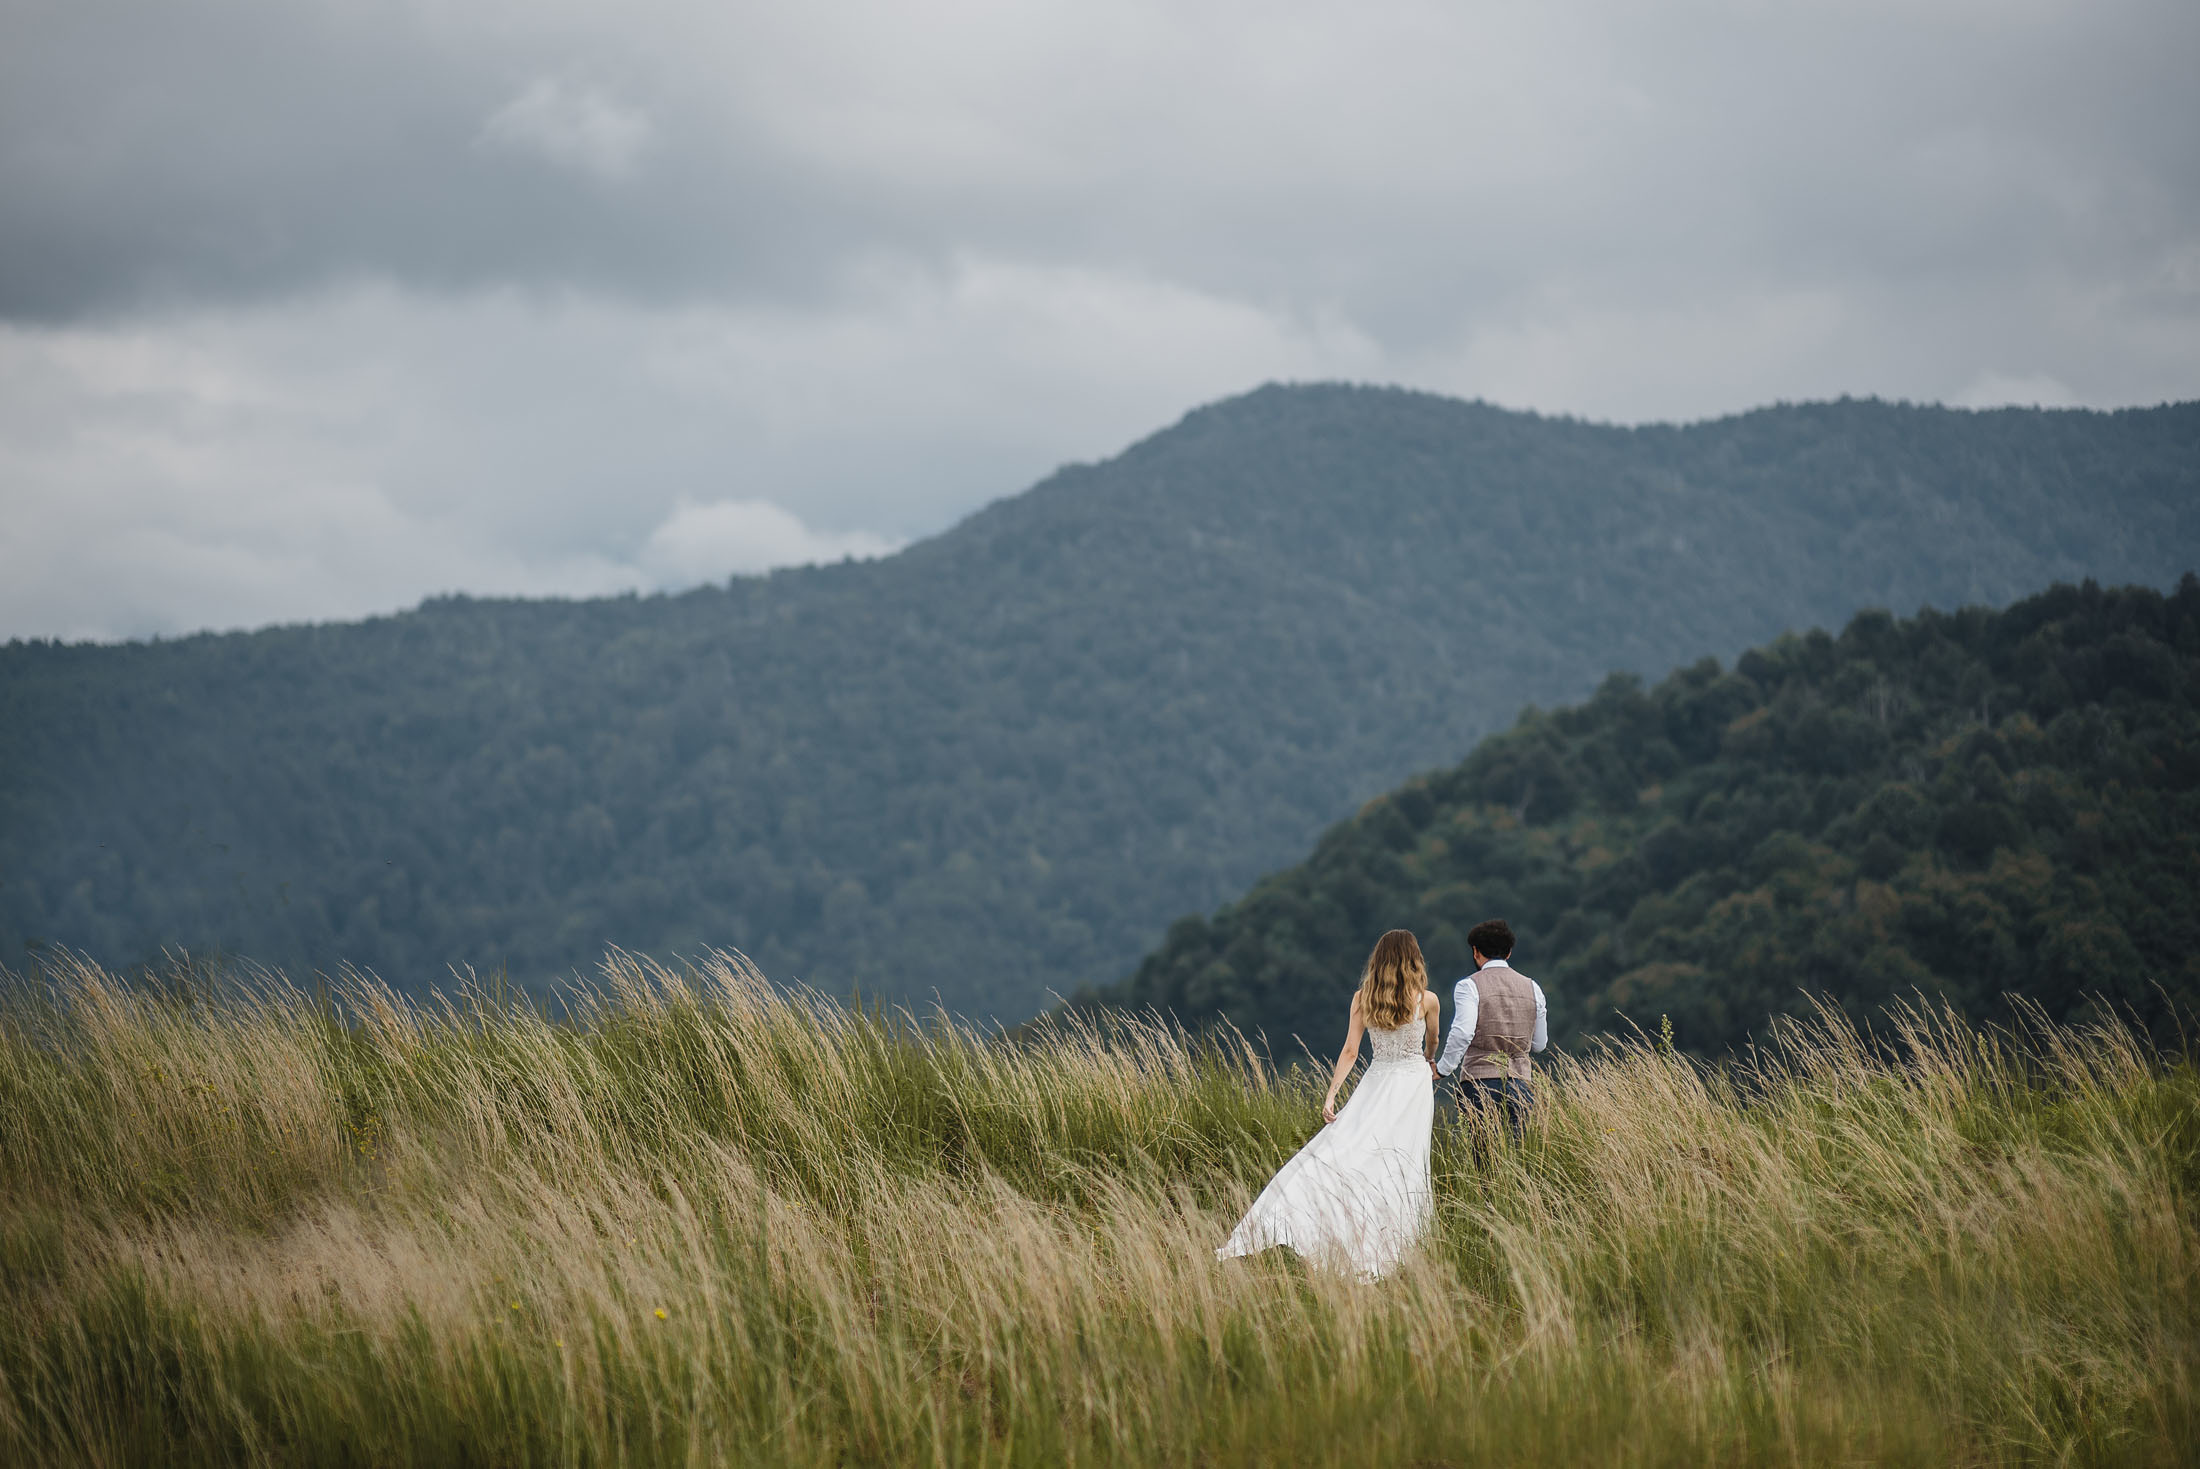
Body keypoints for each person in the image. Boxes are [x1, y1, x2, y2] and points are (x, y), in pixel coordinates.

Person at [1216, 929, 1440, 1279]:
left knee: (1351, 1147)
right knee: (1405, 1157)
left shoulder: (1363, 998)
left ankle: (1319, 1214)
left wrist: (1333, 1092)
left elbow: (1350, 1051)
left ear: (1378, 960)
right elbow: (1433, 1041)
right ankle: (1395, 1236)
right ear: (1414, 959)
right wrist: (1429, 1063)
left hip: (1377, 1080)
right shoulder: (1427, 1000)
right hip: (1414, 1082)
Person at [1432, 918, 1548, 1138]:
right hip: (1521, 1084)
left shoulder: (1469, 986)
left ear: (1476, 951)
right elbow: (1540, 1044)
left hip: (1479, 1082)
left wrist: (1443, 1068)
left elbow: (1463, 1032)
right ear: (1509, 952)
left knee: (1483, 1160)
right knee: (1519, 1158)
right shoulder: (1533, 987)